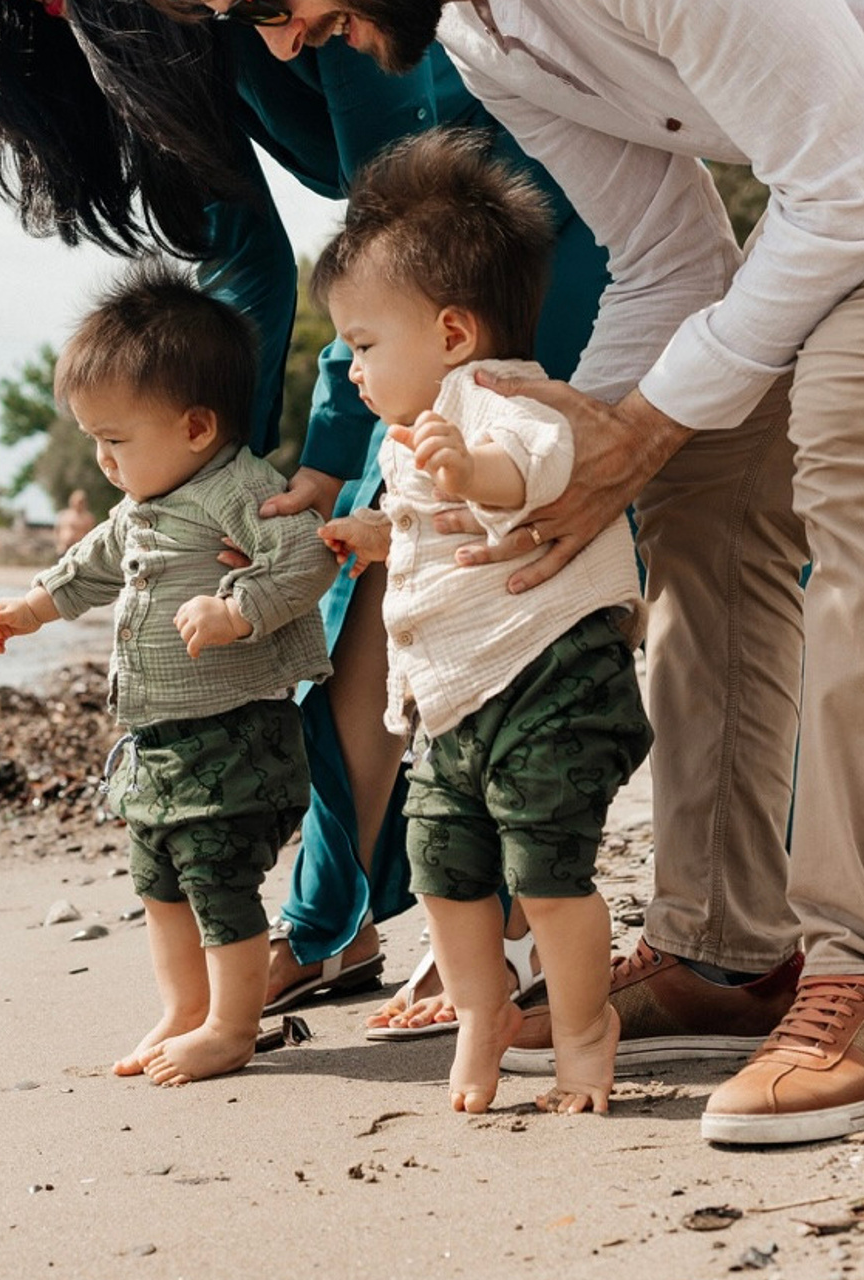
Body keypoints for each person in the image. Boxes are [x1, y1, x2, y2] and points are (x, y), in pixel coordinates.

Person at [161, 0, 864, 1143]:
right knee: (698, 490)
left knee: (856, 468)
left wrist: (644, 420)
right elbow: (669, 261)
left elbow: (856, 182)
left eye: (263, 3)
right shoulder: (479, 42)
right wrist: (564, 442)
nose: (277, 45)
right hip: (853, 180)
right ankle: (718, 950)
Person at [0, 0, 611, 1024]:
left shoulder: (300, 6)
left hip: (511, 249)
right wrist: (219, 479)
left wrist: (326, 447)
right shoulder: (140, 49)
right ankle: (349, 922)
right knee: (347, 609)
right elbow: (241, 260)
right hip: (400, 286)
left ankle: (491, 927)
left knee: (453, 597)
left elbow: (408, 205)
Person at [311, 128, 650, 1113]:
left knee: (545, 872)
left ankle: (585, 1026)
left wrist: (476, 472)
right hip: (454, 707)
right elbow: (430, 525)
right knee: (444, 871)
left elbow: (533, 463)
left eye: (364, 346)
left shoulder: (498, 396)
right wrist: (378, 535)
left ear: (453, 333)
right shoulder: (409, 432)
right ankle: (479, 1012)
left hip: (547, 681)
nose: (354, 369)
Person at [0, 262, 338, 1084]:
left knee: (217, 883)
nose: (103, 461)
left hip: (235, 731)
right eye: (94, 440)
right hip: (159, 742)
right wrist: (31, 607)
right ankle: (182, 1009)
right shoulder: (137, 508)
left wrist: (239, 607)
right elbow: (90, 566)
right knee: (159, 882)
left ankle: (231, 1026)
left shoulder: (241, 490)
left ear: (197, 427)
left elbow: (307, 555)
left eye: (115, 440)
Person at [53, 489, 96, 555]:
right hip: (64, 547)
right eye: (77, 501)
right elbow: (57, 530)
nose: (78, 503)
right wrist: (59, 544)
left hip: (78, 549)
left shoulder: (88, 517)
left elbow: (91, 534)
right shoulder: (64, 515)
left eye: (81, 502)